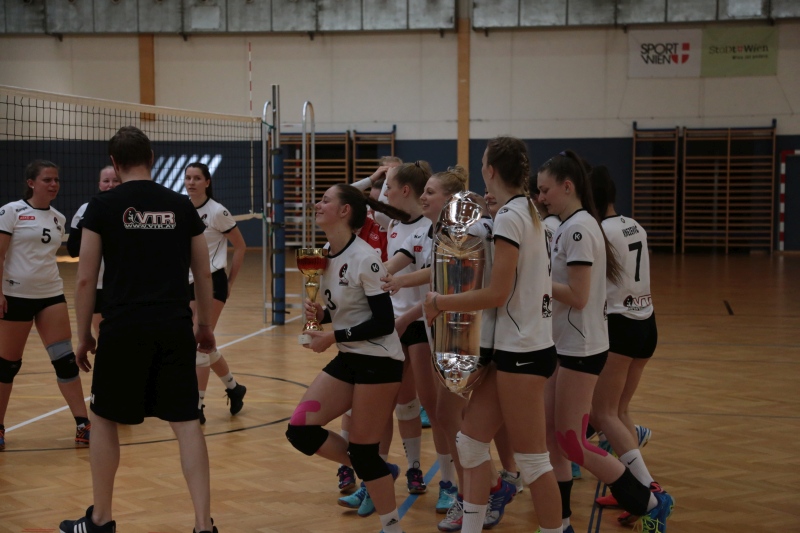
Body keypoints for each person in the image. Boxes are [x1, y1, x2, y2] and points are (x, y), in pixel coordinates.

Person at [59, 126, 218, 533]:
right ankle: (203, 525)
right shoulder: (181, 206)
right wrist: (203, 325)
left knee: (104, 419)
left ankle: (100, 520)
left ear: (114, 163)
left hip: (123, 329)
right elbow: (202, 273)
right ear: (152, 157)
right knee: (186, 422)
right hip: (173, 327)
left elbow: (85, 278)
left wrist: (83, 334)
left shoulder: (102, 205)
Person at [423, 137, 563, 533]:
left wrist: (440, 302)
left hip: (524, 351)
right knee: (470, 443)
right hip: (516, 349)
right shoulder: (526, 211)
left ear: (490, 170)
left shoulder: (510, 218)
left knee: (533, 461)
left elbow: (498, 293)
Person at [536, 151, 673, 533]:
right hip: (564, 343)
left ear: (568, 187)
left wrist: (533, 281)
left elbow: (578, 296)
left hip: (581, 348)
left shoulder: (580, 228)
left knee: (574, 442)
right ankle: (560, 523)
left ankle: (650, 502)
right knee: (554, 438)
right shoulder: (571, 225)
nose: (541, 197)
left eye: (545, 190)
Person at [285, 183, 410, 533]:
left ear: (344, 212)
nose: (317, 204)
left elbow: (383, 323)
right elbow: (347, 309)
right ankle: (375, 469)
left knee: (366, 453)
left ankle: (392, 527)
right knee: (299, 430)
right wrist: (322, 315)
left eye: (325, 200)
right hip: (350, 357)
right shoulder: (325, 253)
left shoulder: (365, 258)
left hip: (379, 362)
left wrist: (333, 336)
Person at [0, 160, 91, 451]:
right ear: (31, 183)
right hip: (15, 295)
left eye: (56, 180)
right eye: (47, 180)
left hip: (50, 294)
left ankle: (83, 424)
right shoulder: (11, 212)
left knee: (65, 360)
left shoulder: (58, 218)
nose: (53, 185)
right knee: (7, 366)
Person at [588, 166, 660, 524]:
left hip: (620, 326)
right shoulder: (634, 225)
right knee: (619, 411)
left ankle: (649, 492)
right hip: (647, 323)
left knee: (603, 414)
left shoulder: (598, 233)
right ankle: (630, 491)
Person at [184, 162, 247, 425]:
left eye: (197, 178)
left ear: (207, 182)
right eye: (188, 178)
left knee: (199, 344)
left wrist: (229, 282)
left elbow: (240, 247)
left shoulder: (217, 212)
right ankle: (234, 388)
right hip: (188, 282)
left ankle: (197, 405)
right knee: (203, 345)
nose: (191, 182)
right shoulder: (182, 208)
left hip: (212, 281)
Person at [68, 166, 122, 336]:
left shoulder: (131, 210)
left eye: (116, 180)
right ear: (99, 184)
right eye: (106, 181)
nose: (111, 185)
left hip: (125, 284)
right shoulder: (87, 209)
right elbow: (72, 249)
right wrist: (97, 239)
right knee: (104, 336)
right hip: (97, 285)